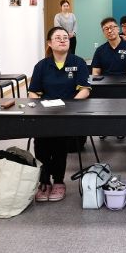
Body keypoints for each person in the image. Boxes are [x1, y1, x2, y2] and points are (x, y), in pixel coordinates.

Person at [29, 27, 91, 202]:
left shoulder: (78, 62)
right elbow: (33, 92)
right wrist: (40, 107)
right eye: (58, 38)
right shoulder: (42, 65)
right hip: (45, 112)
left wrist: (70, 106)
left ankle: (58, 181)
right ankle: (44, 181)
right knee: (41, 143)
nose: (63, 40)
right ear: (49, 43)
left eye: (65, 37)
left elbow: (85, 90)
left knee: (59, 142)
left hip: (69, 113)